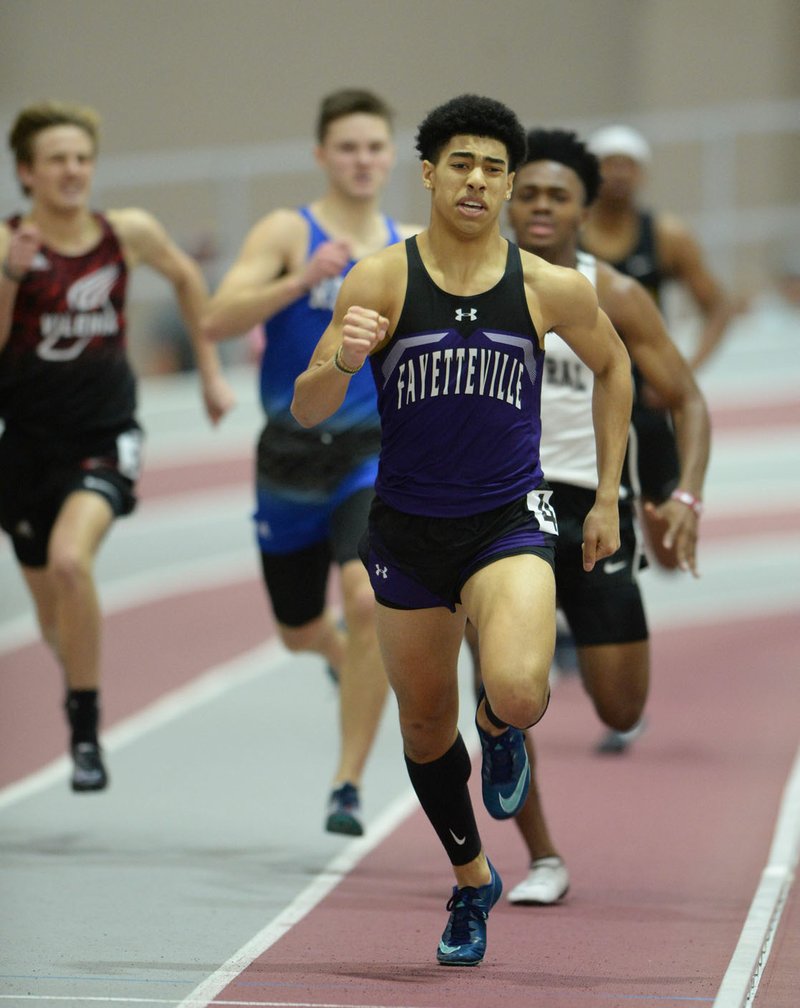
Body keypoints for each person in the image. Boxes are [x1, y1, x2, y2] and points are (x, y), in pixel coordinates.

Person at [291, 95, 632, 967]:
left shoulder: (551, 286)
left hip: (508, 518)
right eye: (461, 164)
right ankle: (472, 877)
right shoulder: (380, 279)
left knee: (517, 689)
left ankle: (503, 725)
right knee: (422, 731)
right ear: (432, 174)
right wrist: (342, 354)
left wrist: (607, 496)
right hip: (406, 530)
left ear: (511, 183)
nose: (477, 180)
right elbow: (309, 406)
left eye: (493, 167)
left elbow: (614, 365)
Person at [464, 127, 710, 906]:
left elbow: (687, 400)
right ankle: (542, 856)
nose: (539, 206)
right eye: (527, 191)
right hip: (501, 503)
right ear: (508, 197)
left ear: (583, 205)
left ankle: (550, 656)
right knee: (506, 692)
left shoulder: (617, 293)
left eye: (556, 195)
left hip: (594, 507)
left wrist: (686, 494)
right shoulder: (469, 280)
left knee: (620, 704)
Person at [0, 101, 236, 792]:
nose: (73, 171)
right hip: (24, 449)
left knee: (74, 562)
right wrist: (12, 276)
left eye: (82, 158)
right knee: (51, 618)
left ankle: (84, 730)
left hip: (104, 436)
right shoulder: (7, 243)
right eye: (57, 160)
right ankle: (80, 684)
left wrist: (212, 373)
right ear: (27, 172)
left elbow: (190, 279)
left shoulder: (124, 232)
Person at [201, 89, 419, 836]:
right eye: (347, 147)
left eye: (374, 147)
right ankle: (333, 654)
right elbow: (214, 318)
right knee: (299, 629)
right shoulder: (286, 231)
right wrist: (301, 280)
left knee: (366, 602)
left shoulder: (407, 243)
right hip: (288, 453)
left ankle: (346, 784)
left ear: (393, 158)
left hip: (370, 450)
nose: (362, 160)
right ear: (322, 155)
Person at [581, 124, 730, 570]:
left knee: (668, 551)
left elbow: (718, 305)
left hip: (646, 395)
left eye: (628, 165)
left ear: (641, 174)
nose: (619, 174)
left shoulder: (665, 235)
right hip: (581, 395)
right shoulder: (570, 233)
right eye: (609, 164)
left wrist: (689, 368)